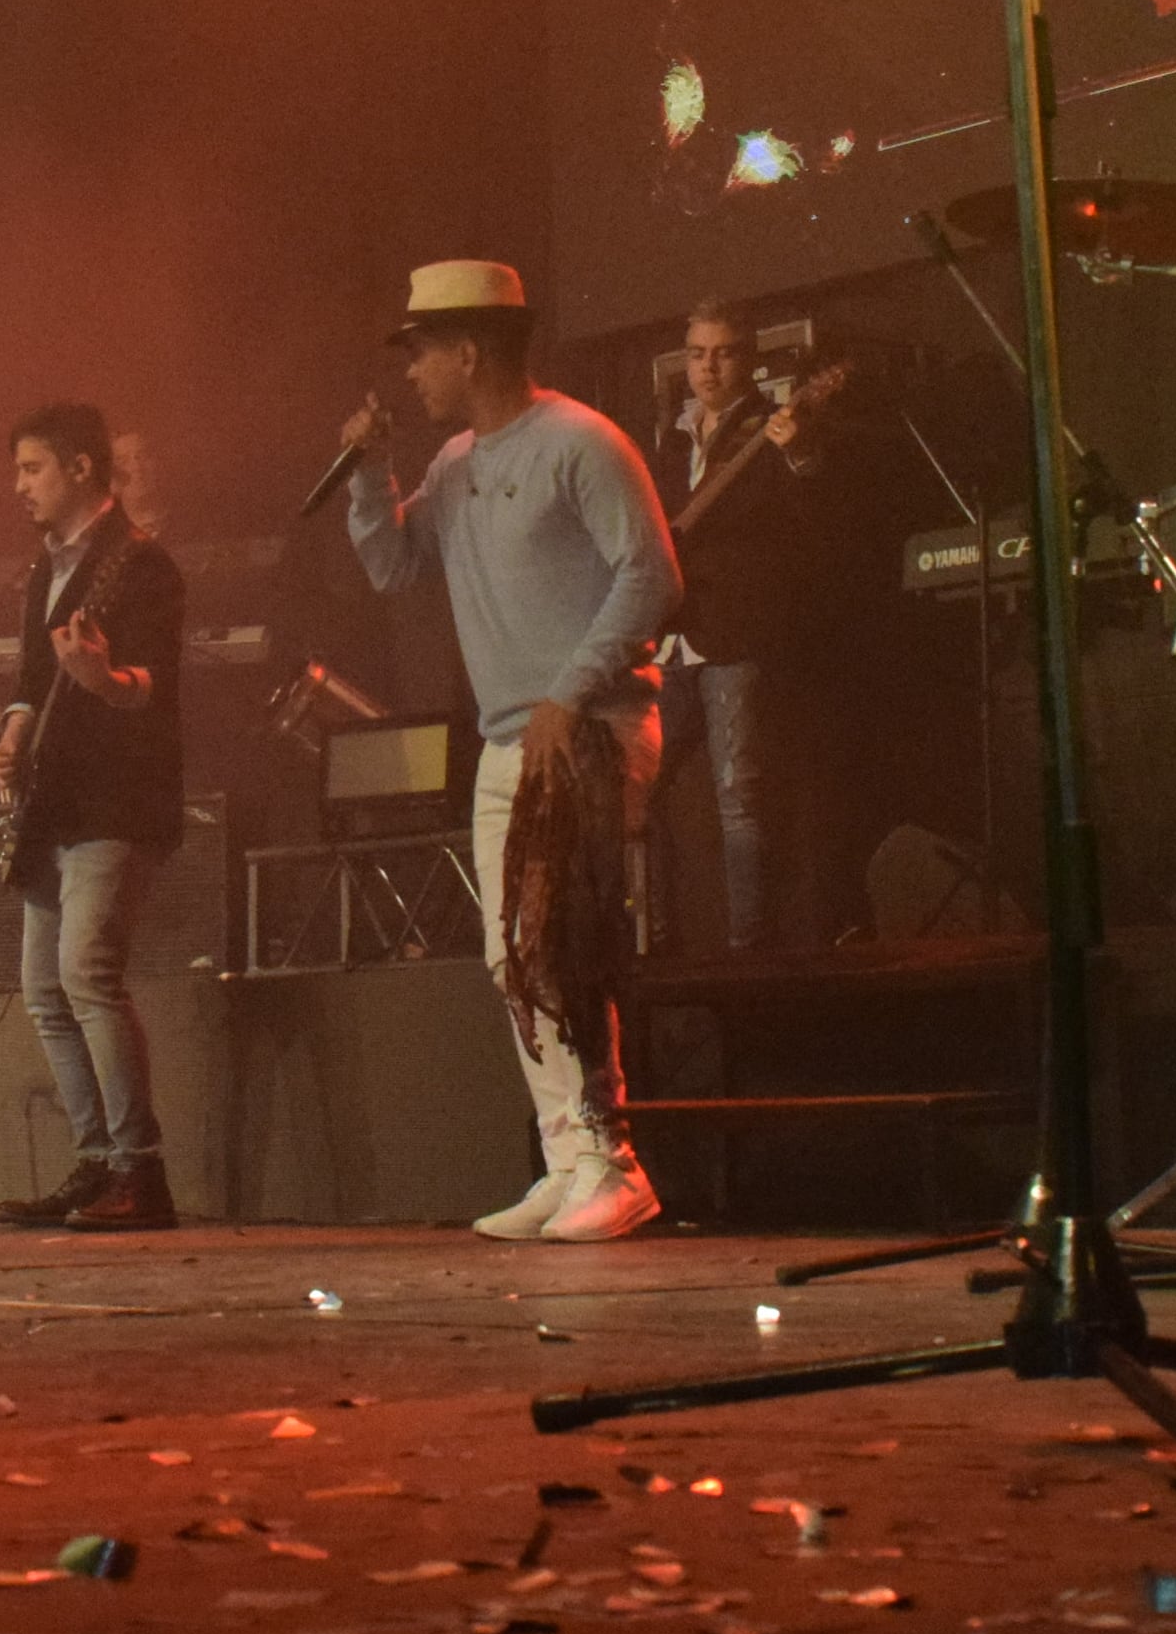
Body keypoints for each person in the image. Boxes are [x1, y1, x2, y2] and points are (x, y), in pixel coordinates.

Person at [338, 260, 682, 1242]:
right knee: (512, 958)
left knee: (557, 944)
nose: (409, 372)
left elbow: (650, 576)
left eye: (418, 352)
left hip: (583, 733)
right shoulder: (455, 464)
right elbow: (391, 564)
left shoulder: (580, 443)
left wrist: (567, 695)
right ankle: (568, 1157)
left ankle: (613, 1164)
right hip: (508, 739)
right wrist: (372, 474)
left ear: (469, 349)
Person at [0, 404, 188, 1232]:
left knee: (88, 979)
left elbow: (153, 687)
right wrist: (14, 731)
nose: (19, 484)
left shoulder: (142, 566)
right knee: (45, 992)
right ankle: (98, 1160)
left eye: (32, 468)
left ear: (81, 469)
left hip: (114, 801)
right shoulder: (43, 570)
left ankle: (141, 1171)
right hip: (54, 802)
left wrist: (103, 679)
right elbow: (34, 678)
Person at [653, 304, 830, 952]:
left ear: (747, 358)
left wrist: (801, 456)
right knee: (636, 790)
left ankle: (749, 950)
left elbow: (812, 521)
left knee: (739, 795)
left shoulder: (771, 426)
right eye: (698, 353)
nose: (708, 365)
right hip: (672, 634)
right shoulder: (670, 438)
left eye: (723, 352)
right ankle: (656, 936)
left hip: (736, 632)